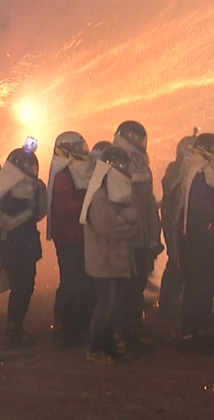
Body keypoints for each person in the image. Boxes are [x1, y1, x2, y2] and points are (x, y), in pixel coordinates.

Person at [80, 146, 139, 365]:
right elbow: (110, 227)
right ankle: (95, 348)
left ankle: (109, 346)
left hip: (115, 259)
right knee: (105, 307)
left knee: (113, 307)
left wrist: (125, 221)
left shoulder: (114, 193)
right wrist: (130, 226)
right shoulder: (98, 196)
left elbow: (130, 216)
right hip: (104, 261)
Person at [178, 133, 214, 352]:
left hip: (207, 240)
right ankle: (192, 332)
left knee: (207, 283)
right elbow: (201, 207)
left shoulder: (206, 174)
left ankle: (202, 327)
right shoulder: (199, 175)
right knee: (199, 286)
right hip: (198, 241)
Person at [112, 121, 162, 347]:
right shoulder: (116, 161)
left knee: (137, 285)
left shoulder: (139, 163)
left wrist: (152, 236)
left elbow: (147, 204)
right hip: (129, 237)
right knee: (126, 288)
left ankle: (132, 326)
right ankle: (122, 331)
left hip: (141, 236)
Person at [0, 148, 47, 343]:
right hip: (18, 244)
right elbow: (8, 220)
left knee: (24, 286)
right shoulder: (8, 190)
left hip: (21, 242)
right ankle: (13, 327)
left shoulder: (5, 187)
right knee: (22, 287)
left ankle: (14, 326)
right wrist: (28, 211)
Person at [47, 132, 95, 346]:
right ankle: (64, 329)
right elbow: (67, 207)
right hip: (68, 237)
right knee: (71, 282)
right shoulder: (63, 175)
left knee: (83, 282)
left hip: (80, 235)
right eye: (78, 147)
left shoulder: (76, 171)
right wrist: (92, 203)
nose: (83, 150)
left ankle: (79, 326)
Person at [158, 133, 196, 318]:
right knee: (176, 260)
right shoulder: (176, 170)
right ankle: (167, 304)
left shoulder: (181, 170)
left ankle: (172, 302)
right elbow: (174, 195)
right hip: (173, 222)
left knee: (179, 260)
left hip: (176, 221)